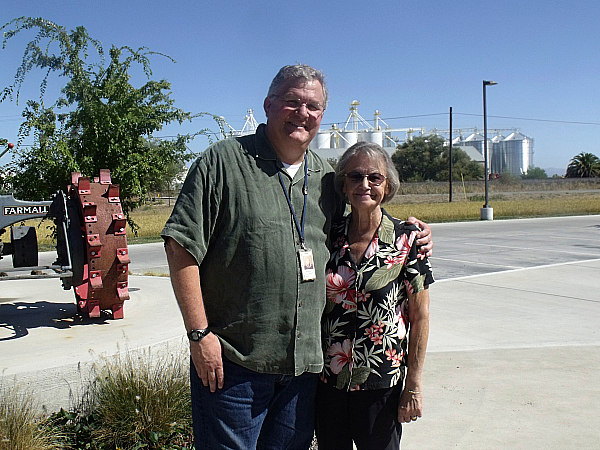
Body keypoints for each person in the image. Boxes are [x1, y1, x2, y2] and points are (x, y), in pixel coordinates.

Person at [162, 64, 433, 450]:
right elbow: (180, 246)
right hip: (234, 365)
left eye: (313, 106)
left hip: (304, 370)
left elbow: (365, 221)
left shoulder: (327, 178)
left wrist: (416, 234)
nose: (303, 113)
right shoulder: (223, 163)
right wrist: (199, 335)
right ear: (269, 104)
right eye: (292, 102)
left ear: (322, 115)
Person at [315, 141, 434, 450]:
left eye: (374, 178)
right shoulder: (328, 235)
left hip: (381, 383)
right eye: (355, 176)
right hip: (329, 381)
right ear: (343, 183)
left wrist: (414, 385)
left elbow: (420, 318)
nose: (364, 184)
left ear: (388, 184)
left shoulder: (408, 240)